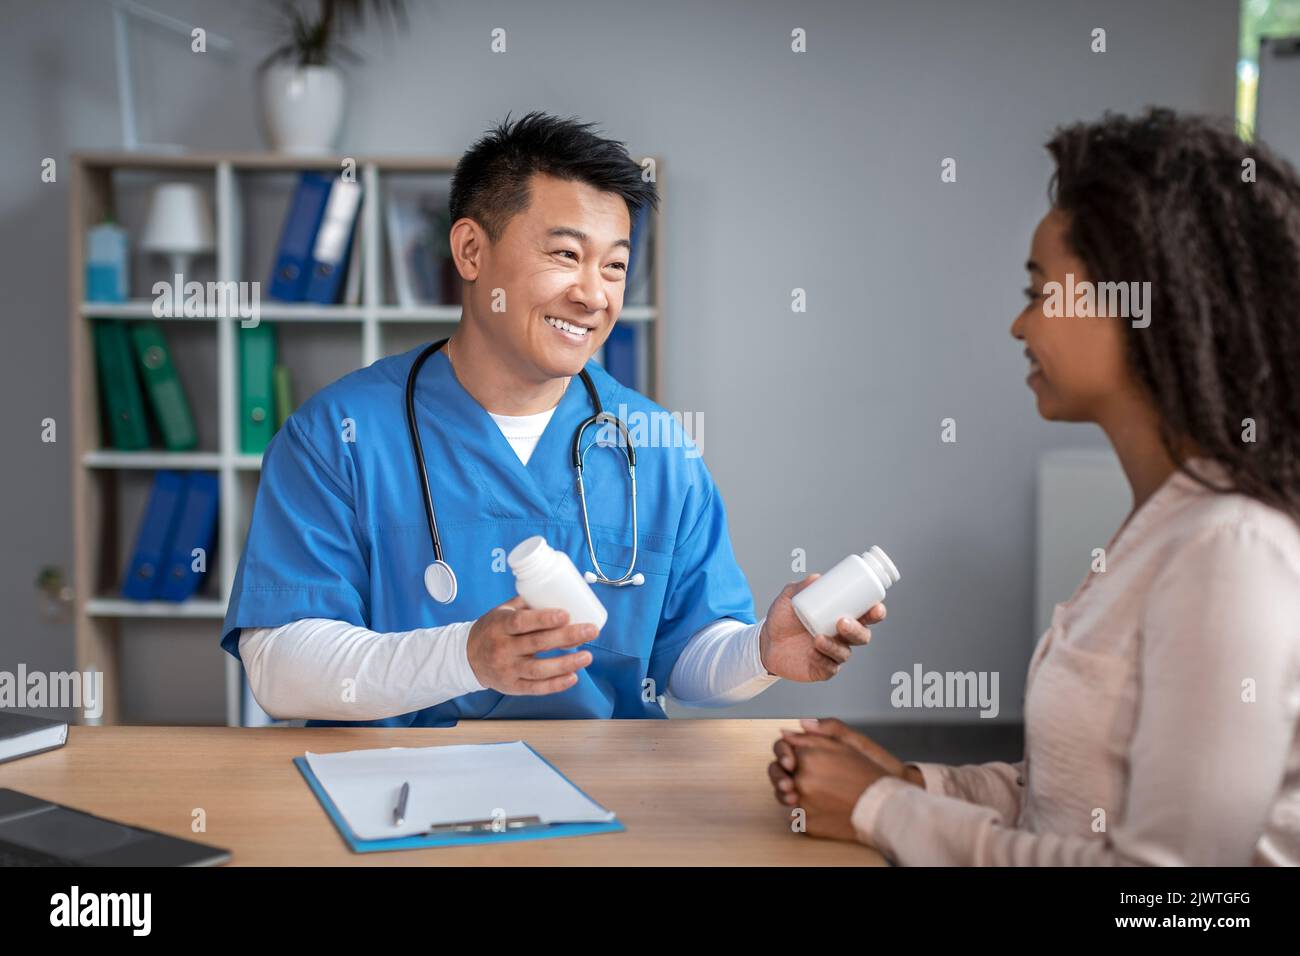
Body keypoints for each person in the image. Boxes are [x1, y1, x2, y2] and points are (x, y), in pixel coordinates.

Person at [222, 112, 885, 726]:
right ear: (472, 252)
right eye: (565, 254)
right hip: (396, 797)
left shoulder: (652, 447)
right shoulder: (338, 436)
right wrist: (467, 657)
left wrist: (763, 651)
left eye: (616, 266)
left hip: (608, 799)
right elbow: (279, 666)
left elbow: (687, 658)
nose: (593, 293)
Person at [769, 108, 1300, 866]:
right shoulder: (1163, 526)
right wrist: (914, 781)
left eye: (1041, 290)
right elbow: (1082, 798)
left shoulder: (1231, 548)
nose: (1021, 326)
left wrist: (879, 808)